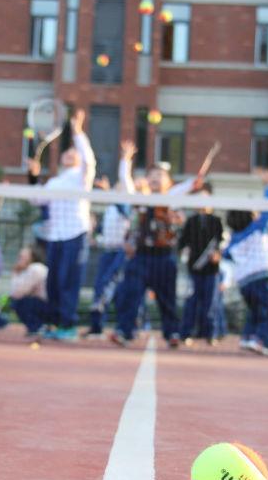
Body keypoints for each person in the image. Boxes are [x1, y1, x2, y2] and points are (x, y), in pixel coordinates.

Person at [111, 156, 204, 348]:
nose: (155, 178)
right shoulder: (139, 199)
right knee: (131, 295)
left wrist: (194, 181)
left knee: (167, 299)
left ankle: (172, 333)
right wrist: (125, 162)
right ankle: (125, 331)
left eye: (160, 175)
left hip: (164, 257)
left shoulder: (171, 199)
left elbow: (187, 186)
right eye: (152, 175)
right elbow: (126, 184)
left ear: (169, 182)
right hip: (140, 256)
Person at [27, 109, 96, 341]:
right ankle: (54, 323)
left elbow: (89, 160)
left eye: (74, 151)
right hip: (54, 236)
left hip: (75, 234)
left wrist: (77, 132)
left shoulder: (82, 176)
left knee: (69, 281)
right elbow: (36, 199)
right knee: (54, 282)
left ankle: (69, 325)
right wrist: (33, 177)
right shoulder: (54, 181)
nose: (70, 153)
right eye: (67, 151)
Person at [223, 169, 268, 356]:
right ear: (251, 216)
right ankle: (262, 341)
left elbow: (226, 255)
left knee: (256, 310)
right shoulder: (257, 228)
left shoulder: (233, 240)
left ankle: (247, 338)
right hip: (259, 278)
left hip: (243, 283)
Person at [88, 141, 136, 337]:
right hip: (107, 252)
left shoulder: (127, 200)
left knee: (111, 287)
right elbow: (104, 234)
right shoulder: (110, 207)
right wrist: (96, 239)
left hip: (120, 253)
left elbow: (125, 178)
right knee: (100, 286)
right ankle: (96, 327)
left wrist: (125, 159)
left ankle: (129, 326)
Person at [177, 182, 224, 346]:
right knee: (191, 302)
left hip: (212, 270)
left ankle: (211, 334)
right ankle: (186, 333)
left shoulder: (217, 221)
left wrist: (218, 255)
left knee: (211, 303)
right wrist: (183, 251)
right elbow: (182, 243)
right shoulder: (191, 221)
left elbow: (222, 243)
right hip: (194, 269)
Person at [9, 246, 50, 337]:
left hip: (48, 307)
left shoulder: (35, 268)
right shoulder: (32, 268)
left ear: (32, 257)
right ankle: (40, 326)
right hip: (47, 305)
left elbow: (17, 293)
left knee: (18, 302)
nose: (19, 259)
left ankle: (37, 327)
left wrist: (15, 273)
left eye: (23, 257)